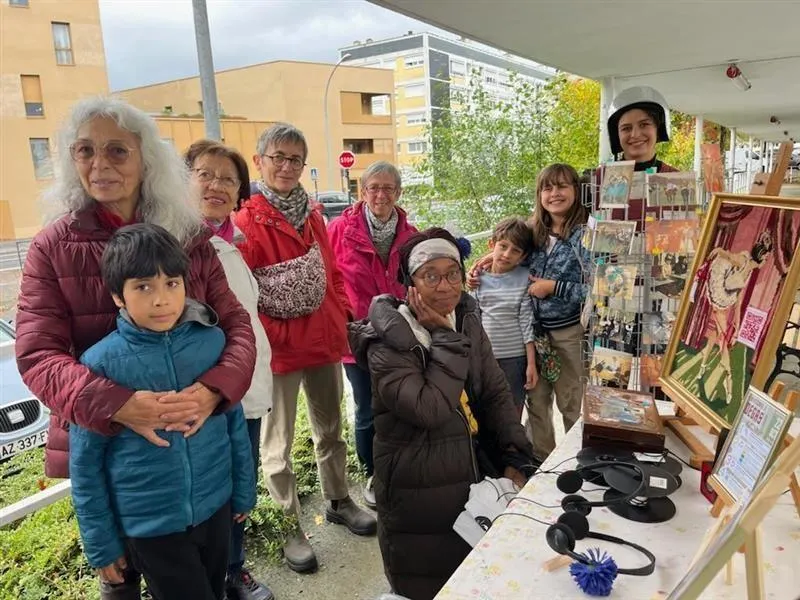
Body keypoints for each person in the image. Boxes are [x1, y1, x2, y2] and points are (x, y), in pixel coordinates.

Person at [15, 97, 256, 599]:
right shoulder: (51, 246)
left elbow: (235, 326)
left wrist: (214, 391)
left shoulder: (188, 236)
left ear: (146, 159)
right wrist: (120, 405)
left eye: (116, 151)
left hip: (195, 454)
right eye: (85, 150)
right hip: (110, 457)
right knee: (120, 579)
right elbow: (37, 355)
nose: (99, 164)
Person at [70, 224, 256, 600]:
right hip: (151, 527)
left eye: (172, 283)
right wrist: (102, 543)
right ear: (117, 297)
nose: (161, 300)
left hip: (216, 506)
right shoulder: (100, 365)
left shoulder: (211, 343)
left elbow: (234, 421)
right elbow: (85, 464)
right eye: (143, 287)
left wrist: (243, 490)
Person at [348, 228, 535, 600]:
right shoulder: (386, 340)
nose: (445, 286)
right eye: (429, 275)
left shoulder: (466, 319)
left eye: (452, 273)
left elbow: (495, 392)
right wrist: (445, 339)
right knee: (431, 584)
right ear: (410, 284)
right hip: (417, 493)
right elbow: (429, 408)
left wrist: (517, 457)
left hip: (473, 475)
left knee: (479, 577)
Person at [235, 123, 376, 574]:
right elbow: (246, 293)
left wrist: (341, 318)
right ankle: (287, 526)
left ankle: (338, 499)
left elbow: (331, 273)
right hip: (276, 352)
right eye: (277, 157)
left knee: (331, 429)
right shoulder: (246, 220)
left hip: (322, 341)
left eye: (296, 159)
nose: (287, 166)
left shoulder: (313, 215)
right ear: (259, 161)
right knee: (277, 446)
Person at [185, 140, 275, 600]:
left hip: (247, 384)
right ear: (185, 179)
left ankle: (232, 570)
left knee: (241, 481)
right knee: (210, 487)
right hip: (210, 393)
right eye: (205, 174)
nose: (216, 185)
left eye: (228, 179)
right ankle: (214, 577)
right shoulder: (178, 243)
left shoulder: (232, 242)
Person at [469, 164, 589, 462]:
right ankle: (542, 464)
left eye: (562, 186)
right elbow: (508, 252)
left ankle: (577, 465)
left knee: (570, 402)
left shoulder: (587, 235)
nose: (554, 194)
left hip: (567, 333)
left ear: (576, 190)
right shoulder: (535, 230)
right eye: (547, 188)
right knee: (536, 403)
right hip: (533, 335)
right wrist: (485, 264)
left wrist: (554, 287)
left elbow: (599, 291)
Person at [327, 160, 417, 509]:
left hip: (398, 336)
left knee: (397, 404)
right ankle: (373, 473)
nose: (380, 194)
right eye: (373, 187)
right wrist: (343, 320)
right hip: (357, 338)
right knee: (366, 409)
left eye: (388, 188)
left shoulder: (411, 234)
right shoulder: (339, 230)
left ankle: (399, 466)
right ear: (362, 192)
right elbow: (327, 278)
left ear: (398, 192)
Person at [696, 231, 773, 401]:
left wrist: (738, 325)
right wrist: (718, 250)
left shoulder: (749, 272)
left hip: (726, 302)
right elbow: (729, 256)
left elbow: (738, 300)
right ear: (762, 256)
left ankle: (702, 367)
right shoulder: (744, 260)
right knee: (724, 343)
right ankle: (729, 380)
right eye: (766, 259)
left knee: (715, 336)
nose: (766, 262)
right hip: (719, 298)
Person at [472, 217, 536, 419]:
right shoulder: (478, 278)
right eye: (503, 246)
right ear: (492, 245)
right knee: (485, 411)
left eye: (515, 251)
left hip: (515, 360)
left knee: (512, 412)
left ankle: (512, 449)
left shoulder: (525, 278)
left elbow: (527, 323)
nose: (507, 254)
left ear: (523, 256)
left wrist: (531, 364)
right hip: (485, 358)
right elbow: (473, 319)